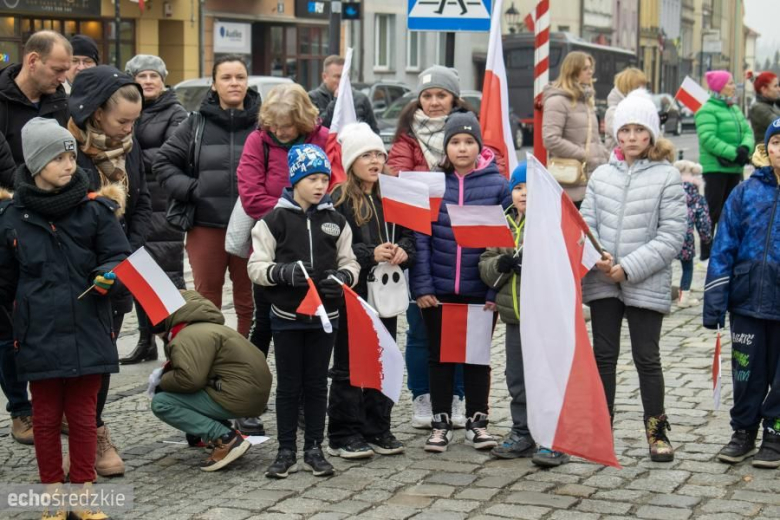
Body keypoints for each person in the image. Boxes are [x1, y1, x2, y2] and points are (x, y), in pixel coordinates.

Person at [0, 117, 130, 520]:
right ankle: (53, 495)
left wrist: (112, 275)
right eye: (57, 157)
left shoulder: (96, 211)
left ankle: (84, 495)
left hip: (88, 326)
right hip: (37, 332)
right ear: (37, 164)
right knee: (44, 419)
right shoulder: (11, 217)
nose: (69, 163)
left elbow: (119, 257)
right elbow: (5, 281)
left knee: (84, 417)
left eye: (70, 154)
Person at [581, 89, 686, 463]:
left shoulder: (667, 176)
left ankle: (657, 434)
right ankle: (600, 429)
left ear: (651, 134)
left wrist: (629, 268)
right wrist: (597, 258)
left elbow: (672, 235)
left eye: (639, 130)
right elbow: (586, 225)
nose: (631, 138)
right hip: (602, 280)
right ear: (615, 133)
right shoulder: (601, 176)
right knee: (603, 357)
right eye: (624, 130)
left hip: (645, 280)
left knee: (647, 358)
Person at [248, 144, 360, 479]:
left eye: (324, 178)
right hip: (286, 317)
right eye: (311, 178)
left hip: (326, 319)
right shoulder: (273, 221)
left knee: (316, 385)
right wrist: (283, 273)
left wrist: (342, 279)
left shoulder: (336, 221)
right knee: (288, 387)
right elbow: (256, 266)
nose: (319, 185)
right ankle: (286, 451)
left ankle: (314, 447)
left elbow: (351, 262)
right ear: (295, 179)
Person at [68, 65, 153, 477]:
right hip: (74, 275)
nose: (128, 129)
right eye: (122, 120)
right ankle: (73, 432)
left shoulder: (131, 148)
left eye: (134, 121)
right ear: (96, 112)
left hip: (119, 270)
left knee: (103, 360)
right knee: (73, 364)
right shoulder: (64, 149)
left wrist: (126, 252)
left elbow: (145, 203)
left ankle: (95, 430)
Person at [410, 112, 509, 453]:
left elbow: (505, 243)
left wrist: (494, 289)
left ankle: (477, 422)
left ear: (479, 146)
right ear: (446, 146)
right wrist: (422, 286)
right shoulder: (434, 184)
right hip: (438, 289)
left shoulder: (497, 186)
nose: (462, 148)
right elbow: (420, 237)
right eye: (455, 142)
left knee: (476, 357)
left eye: (469, 142)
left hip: (478, 290)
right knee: (440, 357)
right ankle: (439, 423)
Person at [385, 65, 469, 430]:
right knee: (420, 325)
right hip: (418, 238)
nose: (434, 102)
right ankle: (422, 395)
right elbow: (399, 179)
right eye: (428, 95)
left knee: (461, 326)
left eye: (441, 95)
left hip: (460, 241)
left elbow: (483, 173)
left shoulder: (469, 133)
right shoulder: (405, 139)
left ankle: (458, 395)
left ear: (453, 99)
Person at [327, 123, 415, 459]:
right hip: (353, 294)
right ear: (352, 161)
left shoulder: (392, 194)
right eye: (367, 154)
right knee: (350, 362)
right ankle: (343, 432)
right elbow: (333, 248)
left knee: (384, 359)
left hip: (386, 294)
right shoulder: (339, 199)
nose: (375, 160)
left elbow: (411, 236)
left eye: (379, 153)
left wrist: (403, 250)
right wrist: (370, 254)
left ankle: (377, 427)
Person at [155, 54, 259, 337]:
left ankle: (246, 352)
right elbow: (163, 162)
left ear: (248, 82)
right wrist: (192, 189)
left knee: (247, 299)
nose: (234, 83)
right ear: (213, 84)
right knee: (207, 297)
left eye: (240, 77)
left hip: (251, 225)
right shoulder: (195, 124)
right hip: (205, 225)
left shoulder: (263, 124)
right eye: (226, 78)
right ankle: (211, 351)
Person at [704, 117, 780, 469]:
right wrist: (716, 297)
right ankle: (744, 432)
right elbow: (723, 246)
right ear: (767, 149)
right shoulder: (745, 192)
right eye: (776, 142)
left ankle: (775, 434)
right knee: (746, 372)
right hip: (747, 301)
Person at [237, 83, 329, 358]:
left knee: (312, 324)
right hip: (272, 243)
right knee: (264, 322)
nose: (278, 131)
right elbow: (251, 197)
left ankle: (304, 392)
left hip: (317, 245)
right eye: (273, 125)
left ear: (301, 120)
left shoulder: (323, 139)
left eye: (285, 125)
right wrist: (297, 213)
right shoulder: (258, 141)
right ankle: (252, 387)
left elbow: (333, 190)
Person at [150, 290, 272, 472]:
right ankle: (223, 435)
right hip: (250, 396)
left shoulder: (187, 336)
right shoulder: (210, 328)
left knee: (162, 403)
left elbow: (189, 381)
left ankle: (226, 438)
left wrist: (160, 381)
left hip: (237, 396)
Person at [121, 54, 188, 365]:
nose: (148, 81)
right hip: (134, 200)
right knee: (138, 273)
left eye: (154, 76)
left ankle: (182, 343)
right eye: (142, 75)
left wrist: (129, 153)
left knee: (169, 275)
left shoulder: (176, 113)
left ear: (163, 80)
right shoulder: (125, 108)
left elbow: (171, 153)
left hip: (163, 203)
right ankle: (146, 340)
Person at [479, 162, 535, 460]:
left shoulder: (548, 224)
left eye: (530, 188)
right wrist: (498, 266)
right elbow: (486, 265)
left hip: (542, 318)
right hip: (513, 316)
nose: (523, 194)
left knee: (544, 377)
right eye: (518, 188)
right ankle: (522, 431)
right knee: (516, 377)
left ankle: (551, 435)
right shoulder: (502, 224)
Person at [694, 70, 754, 262]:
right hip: (715, 169)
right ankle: (707, 250)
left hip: (734, 169)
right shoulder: (707, 109)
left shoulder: (734, 109)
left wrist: (745, 147)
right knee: (712, 210)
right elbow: (708, 138)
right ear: (719, 87)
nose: (733, 87)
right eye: (729, 83)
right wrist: (734, 153)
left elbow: (747, 131)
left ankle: (725, 246)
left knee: (732, 211)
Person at [0, 30, 71, 185]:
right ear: (32, 61)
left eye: (66, 71)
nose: (63, 78)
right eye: (58, 70)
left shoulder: (63, 103)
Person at [542, 50, 609, 207]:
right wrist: (583, 154)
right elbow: (550, 139)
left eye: (591, 68)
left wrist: (607, 158)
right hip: (570, 181)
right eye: (585, 68)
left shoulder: (585, 100)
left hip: (592, 180)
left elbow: (594, 139)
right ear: (573, 70)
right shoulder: (557, 101)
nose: (590, 72)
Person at [673, 160, 712, 308]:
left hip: (665, 237)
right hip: (686, 238)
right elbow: (703, 221)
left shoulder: (670, 191)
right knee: (687, 267)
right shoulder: (697, 197)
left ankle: (662, 295)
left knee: (665, 267)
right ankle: (684, 297)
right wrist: (707, 237)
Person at [308, 55, 379, 133]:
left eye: (345, 76)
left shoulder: (361, 98)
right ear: (325, 77)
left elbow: (374, 132)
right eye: (337, 76)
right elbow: (319, 128)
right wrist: (336, 101)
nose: (342, 80)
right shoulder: (313, 98)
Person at [604, 67, 648, 152]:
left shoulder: (642, 109)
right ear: (628, 88)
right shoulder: (613, 112)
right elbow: (624, 137)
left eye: (644, 87)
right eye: (639, 87)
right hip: (619, 161)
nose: (643, 91)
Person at [749, 71, 780, 142]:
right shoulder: (758, 108)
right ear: (764, 90)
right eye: (775, 86)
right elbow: (777, 124)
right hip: (766, 150)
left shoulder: (772, 104)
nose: (779, 89)